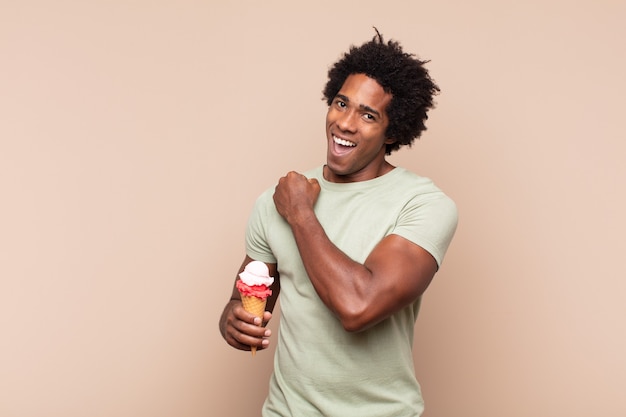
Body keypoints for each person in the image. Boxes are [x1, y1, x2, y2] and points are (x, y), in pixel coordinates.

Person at [219, 29, 458, 417]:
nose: (345, 123)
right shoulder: (275, 199)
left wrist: (301, 215)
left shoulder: (423, 205)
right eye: (340, 103)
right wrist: (232, 319)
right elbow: (245, 296)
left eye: (368, 115)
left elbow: (358, 307)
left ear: (393, 131)